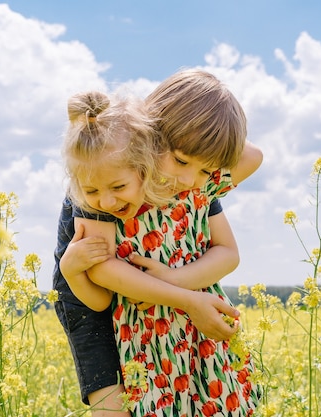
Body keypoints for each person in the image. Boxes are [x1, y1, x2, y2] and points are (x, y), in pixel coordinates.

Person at [65, 69, 263, 415]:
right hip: (99, 316)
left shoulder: (196, 189)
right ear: (147, 136)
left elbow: (252, 156)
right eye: (181, 160)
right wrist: (143, 121)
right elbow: (100, 270)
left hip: (190, 331)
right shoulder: (110, 182)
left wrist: (175, 281)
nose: (188, 178)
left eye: (204, 170)